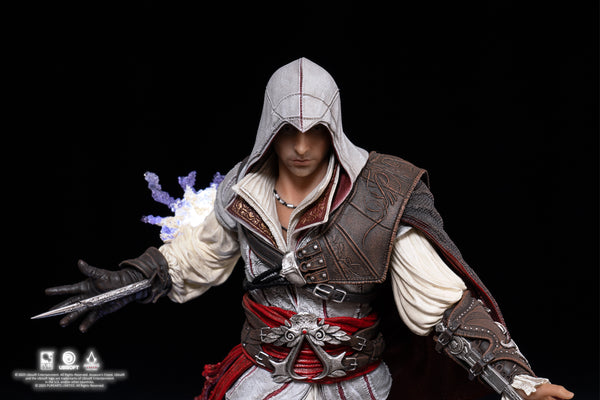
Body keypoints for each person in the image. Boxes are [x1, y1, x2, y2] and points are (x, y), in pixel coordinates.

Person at [44, 58, 574, 400]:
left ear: (333, 129)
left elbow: (443, 303)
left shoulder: (381, 194)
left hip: (357, 384)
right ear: (268, 130)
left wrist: (518, 380)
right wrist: (136, 278)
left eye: (315, 131)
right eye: (288, 131)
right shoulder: (241, 191)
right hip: (262, 381)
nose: (301, 147)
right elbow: (194, 258)